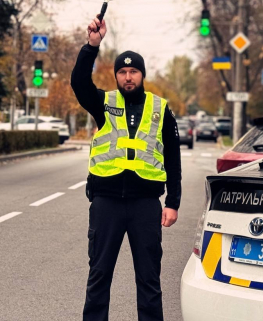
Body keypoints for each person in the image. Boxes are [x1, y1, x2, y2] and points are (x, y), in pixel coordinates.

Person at [71, 16, 182, 321]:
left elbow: (173, 157)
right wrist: (91, 46)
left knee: (149, 280)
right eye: (122, 72)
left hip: (145, 205)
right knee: (98, 277)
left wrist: (172, 202)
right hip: (106, 202)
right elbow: (79, 84)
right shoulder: (103, 104)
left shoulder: (160, 109)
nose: (128, 77)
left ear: (142, 75)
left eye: (133, 71)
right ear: (116, 76)